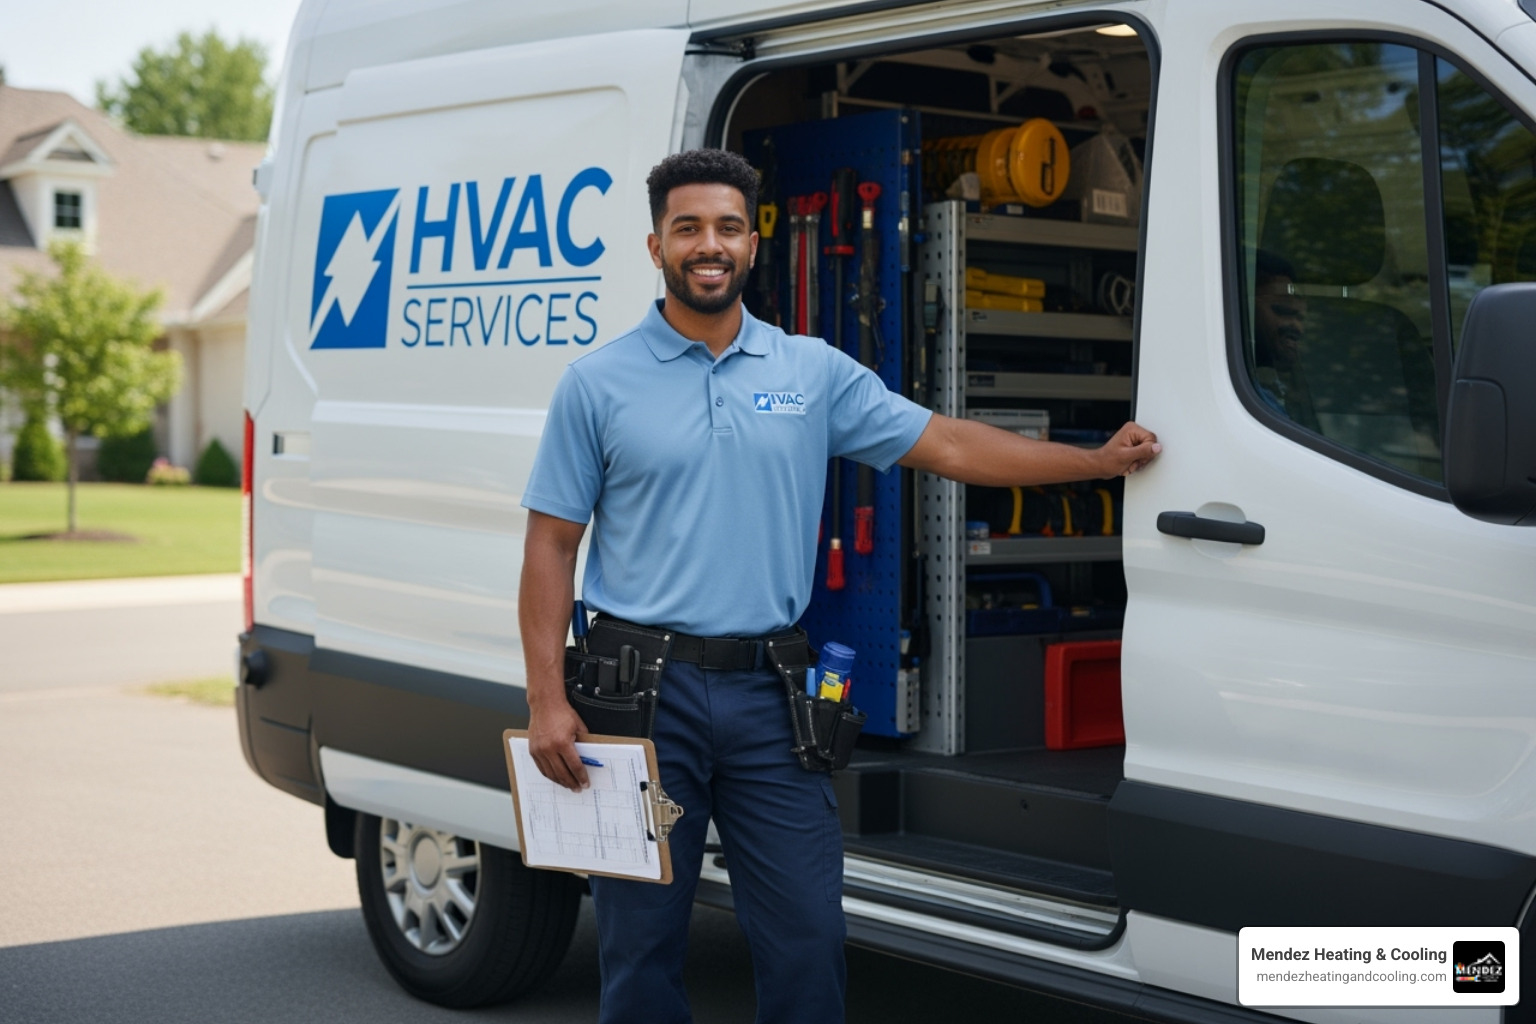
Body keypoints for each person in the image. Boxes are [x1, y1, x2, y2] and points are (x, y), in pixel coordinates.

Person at [518, 148, 1160, 1024]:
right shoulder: (597, 384)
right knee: (639, 951)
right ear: (656, 245)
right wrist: (548, 698)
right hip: (640, 700)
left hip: (769, 698)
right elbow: (551, 547)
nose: (710, 245)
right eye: (689, 228)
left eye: (728, 228)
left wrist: (1093, 461)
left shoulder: (809, 373)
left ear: (754, 243)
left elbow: (954, 446)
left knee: (809, 938)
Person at [1250, 249, 1319, 431]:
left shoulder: (1278, 388)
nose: (1297, 327)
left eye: (1301, 318)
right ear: (1244, 309)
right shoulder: (1246, 398)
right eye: (1281, 311)